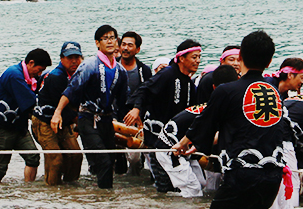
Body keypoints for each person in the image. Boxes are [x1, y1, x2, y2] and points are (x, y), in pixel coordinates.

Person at [175, 30, 291, 209]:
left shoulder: (227, 91)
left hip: (242, 176)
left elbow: (204, 123)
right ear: (269, 61)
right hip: (272, 177)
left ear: (241, 59)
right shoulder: (275, 94)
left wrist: (183, 144)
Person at [52, 25, 128, 190]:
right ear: (97, 43)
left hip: (107, 120)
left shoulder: (120, 71)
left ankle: (103, 198)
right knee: (104, 161)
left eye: (112, 38)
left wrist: (134, 115)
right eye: (105, 38)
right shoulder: (89, 65)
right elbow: (71, 90)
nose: (109, 41)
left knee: (110, 160)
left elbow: (123, 101)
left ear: (117, 42)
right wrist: (57, 112)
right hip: (88, 118)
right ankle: (104, 198)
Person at [124, 39, 202, 193]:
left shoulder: (189, 82)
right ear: (181, 58)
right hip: (157, 137)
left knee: (176, 182)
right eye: (194, 57)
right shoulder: (167, 73)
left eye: (199, 57)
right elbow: (144, 89)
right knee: (163, 181)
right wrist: (136, 109)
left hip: (176, 139)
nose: (198, 61)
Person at [158, 66, 239, 198]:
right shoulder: (216, 108)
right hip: (170, 147)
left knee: (201, 184)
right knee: (193, 189)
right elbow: (212, 135)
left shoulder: (217, 104)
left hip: (187, 148)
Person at [0, 48, 51, 184]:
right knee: (1, 167)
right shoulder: (14, 75)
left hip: (19, 126)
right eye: (39, 70)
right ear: (30, 63)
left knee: (33, 157)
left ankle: (27, 190)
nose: (39, 74)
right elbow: (30, 103)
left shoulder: (29, 77)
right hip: (1, 126)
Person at [32, 42, 84, 186]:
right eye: (69, 57)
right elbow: (63, 107)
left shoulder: (77, 75)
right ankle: (52, 189)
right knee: (55, 158)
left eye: (77, 57)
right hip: (44, 121)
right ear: (62, 59)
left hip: (64, 120)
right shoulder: (56, 77)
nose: (74, 61)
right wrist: (79, 121)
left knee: (75, 155)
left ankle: (70, 186)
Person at [116, 32, 152, 175]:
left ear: (137, 49)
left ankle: (134, 192)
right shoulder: (111, 67)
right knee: (114, 158)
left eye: (130, 45)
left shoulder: (144, 70)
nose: (125, 48)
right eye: (123, 44)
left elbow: (148, 96)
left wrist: (140, 114)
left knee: (135, 160)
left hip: (135, 120)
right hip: (114, 117)